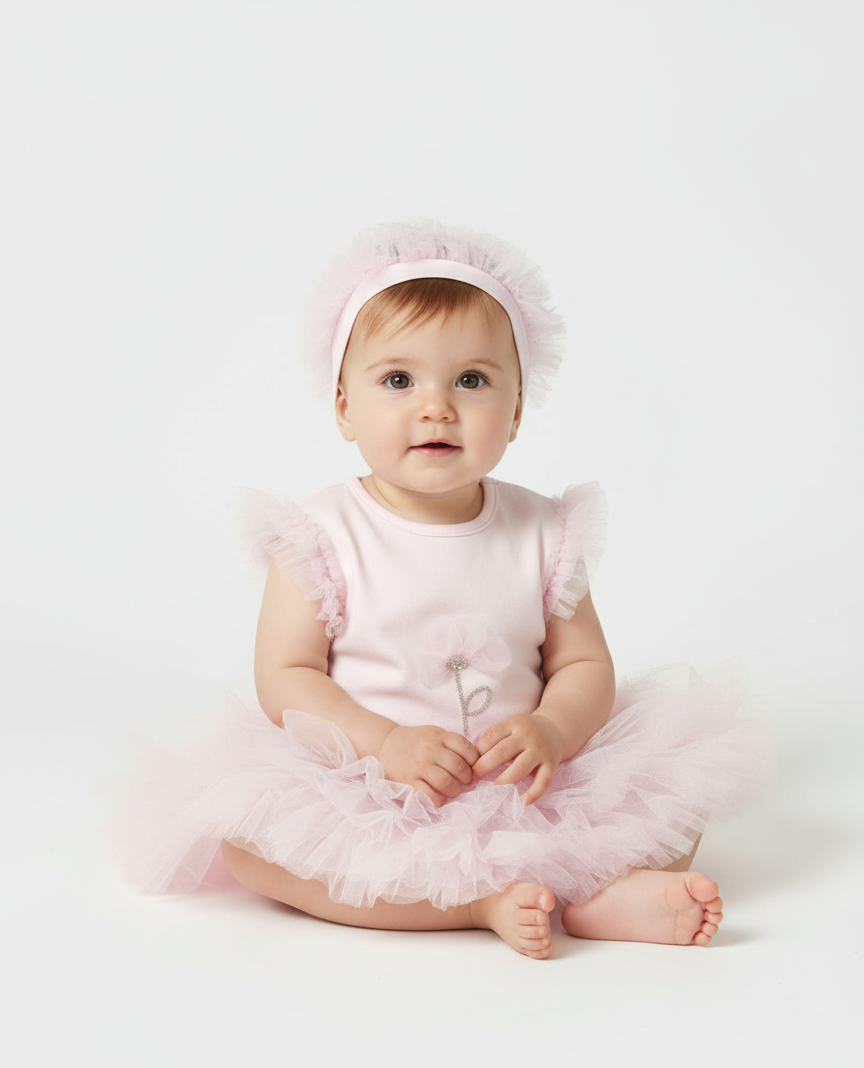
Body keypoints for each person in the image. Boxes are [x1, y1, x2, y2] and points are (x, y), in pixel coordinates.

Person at [119, 220, 771, 958]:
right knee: (253, 848)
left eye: (471, 380)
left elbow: (584, 663)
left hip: (526, 782)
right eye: (399, 380)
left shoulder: (543, 530)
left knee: (676, 797)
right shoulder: (319, 534)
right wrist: (385, 744)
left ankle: (598, 899)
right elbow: (287, 677)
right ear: (344, 407)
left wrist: (553, 730)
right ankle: (479, 904)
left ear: (516, 411)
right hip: (373, 787)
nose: (436, 406)